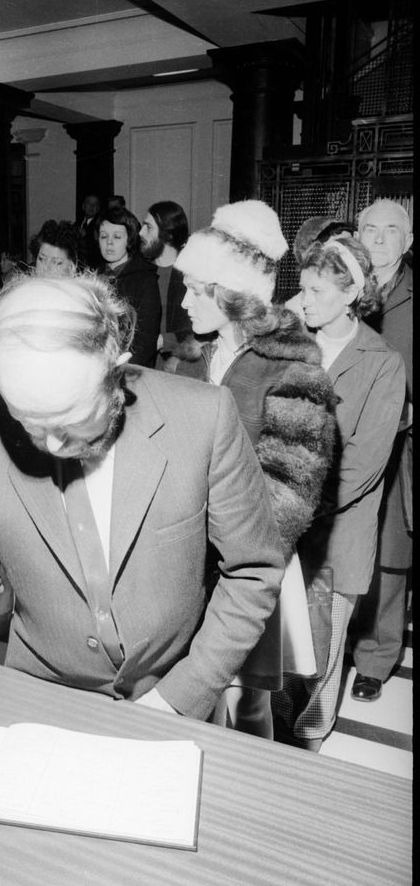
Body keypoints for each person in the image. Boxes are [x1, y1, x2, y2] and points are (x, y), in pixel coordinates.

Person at [0, 272, 286, 776]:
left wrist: (181, 697)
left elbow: (252, 571)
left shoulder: (204, 417)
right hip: (38, 701)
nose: (49, 444)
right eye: (27, 419)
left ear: (116, 367)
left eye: (70, 417)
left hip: (177, 690)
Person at [173, 200, 338, 738]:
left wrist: (232, 553)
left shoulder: (292, 365)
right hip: (182, 557)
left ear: (233, 293)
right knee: (184, 690)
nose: (183, 301)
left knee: (244, 706)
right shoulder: (190, 357)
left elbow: (290, 494)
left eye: (197, 289)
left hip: (246, 564)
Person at [271, 233, 406, 750]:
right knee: (279, 647)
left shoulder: (382, 362)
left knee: (322, 658)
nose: (303, 301)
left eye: (317, 292)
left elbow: (365, 465)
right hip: (282, 528)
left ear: (351, 295)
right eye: (301, 289)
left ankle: (309, 748)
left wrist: (293, 503)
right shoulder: (291, 347)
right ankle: (279, 738)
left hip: (335, 535)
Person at [349, 198, 413, 701]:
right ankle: (334, 644)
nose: (380, 238)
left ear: (408, 241)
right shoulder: (342, 287)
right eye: (371, 229)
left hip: (401, 445)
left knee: (391, 555)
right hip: (346, 439)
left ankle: (374, 657)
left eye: (392, 230)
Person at [138, 200, 198, 370]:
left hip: (179, 369)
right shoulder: (139, 270)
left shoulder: (192, 275)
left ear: (168, 235)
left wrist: (163, 341)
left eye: (148, 227)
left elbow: (202, 330)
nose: (141, 233)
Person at [98, 206, 161, 367]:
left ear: (129, 240)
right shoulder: (93, 277)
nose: (109, 242)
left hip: (130, 370)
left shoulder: (145, 279)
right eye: (103, 236)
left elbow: (145, 342)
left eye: (117, 237)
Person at [77, 193, 103, 271]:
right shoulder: (77, 224)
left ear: (98, 208)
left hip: (93, 268)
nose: (92, 206)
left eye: (95, 204)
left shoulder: (100, 225)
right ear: (83, 206)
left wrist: (86, 236)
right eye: (89, 203)